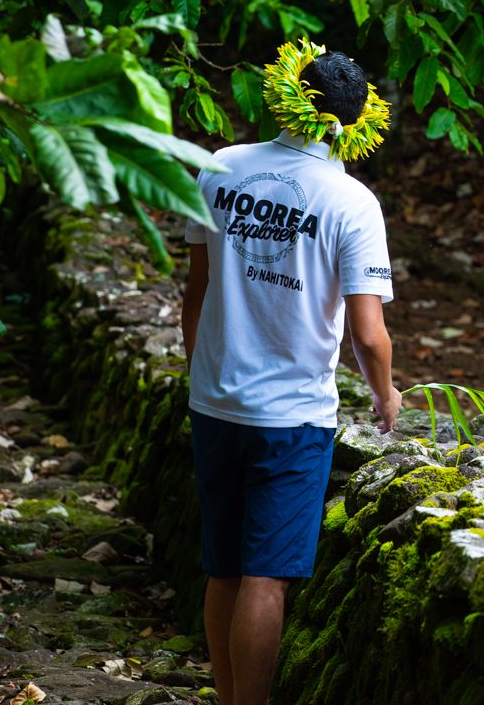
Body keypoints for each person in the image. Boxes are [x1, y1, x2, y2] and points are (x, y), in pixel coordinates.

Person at [181, 41, 400, 705]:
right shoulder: (350, 201)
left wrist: (199, 370)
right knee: (265, 576)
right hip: (293, 418)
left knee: (223, 567)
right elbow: (367, 333)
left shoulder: (219, 167)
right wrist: (385, 393)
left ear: (286, 97)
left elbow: (195, 288)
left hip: (215, 399)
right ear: (355, 120)